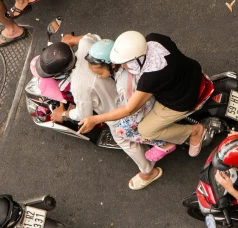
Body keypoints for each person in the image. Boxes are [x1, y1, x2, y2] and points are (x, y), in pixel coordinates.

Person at [36, 35, 162, 190]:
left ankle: (149, 171)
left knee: (122, 139)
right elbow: (89, 37)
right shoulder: (86, 47)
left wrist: (63, 115)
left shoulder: (78, 87)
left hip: (120, 107)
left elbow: (83, 115)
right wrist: (72, 40)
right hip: (131, 87)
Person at [77, 31, 205, 156]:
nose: (123, 66)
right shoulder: (154, 38)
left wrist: (95, 119)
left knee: (146, 130)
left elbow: (128, 109)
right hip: (192, 70)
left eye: (126, 63)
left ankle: (194, 131)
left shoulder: (150, 78)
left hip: (182, 98)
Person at [85, 39, 176, 162]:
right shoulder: (127, 60)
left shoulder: (124, 83)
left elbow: (131, 109)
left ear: (112, 64)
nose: (98, 76)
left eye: (100, 72)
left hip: (146, 106)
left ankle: (163, 143)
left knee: (121, 131)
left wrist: (98, 119)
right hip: (157, 91)